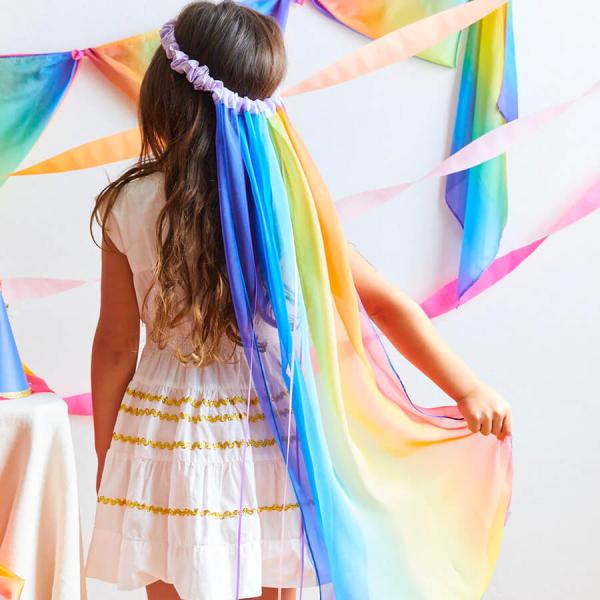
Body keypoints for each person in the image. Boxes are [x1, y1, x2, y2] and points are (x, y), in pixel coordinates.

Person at [85, 2, 512, 599]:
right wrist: (466, 387)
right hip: (275, 428)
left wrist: (109, 451)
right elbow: (382, 303)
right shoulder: (288, 205)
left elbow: (114, 348)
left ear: (162, 92)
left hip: (164, 434)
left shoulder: (126, 204)